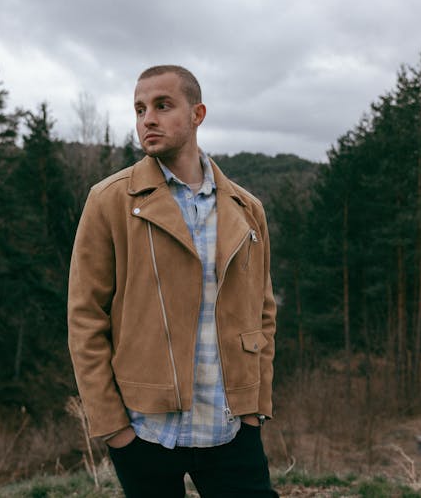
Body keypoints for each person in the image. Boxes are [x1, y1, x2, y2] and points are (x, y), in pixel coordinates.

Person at [68, 64, 278, 497]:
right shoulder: (109, 201)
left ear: (198, 114)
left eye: (163, 106)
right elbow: (85, 318)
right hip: (146, 430)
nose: (148, 118)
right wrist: (113, 428)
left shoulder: (246, 208)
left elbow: (263, 312)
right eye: (140, 108)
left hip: (230, 426)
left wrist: (256, 410)